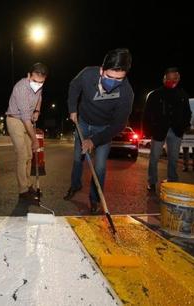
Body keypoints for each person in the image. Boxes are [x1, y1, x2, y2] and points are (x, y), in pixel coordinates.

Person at [63, 48, 134, 214]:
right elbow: (74, 86)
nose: (114, 82)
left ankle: (95, 199)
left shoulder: (126, 93)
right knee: (77, 158)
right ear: (102, 70)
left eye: (119, 79)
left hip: (104, 128)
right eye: (110, 77)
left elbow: (118, 125)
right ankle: (75, 185)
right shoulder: (88, 74)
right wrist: (72, 108)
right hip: (84, 121)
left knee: (100, 167)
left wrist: (94, 141)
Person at [143, 67, 192, 192]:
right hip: (159, 130)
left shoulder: (183, 95)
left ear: (178, 78)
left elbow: (187, 112)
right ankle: (152, 182)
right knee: (154, 157)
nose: (172, 80)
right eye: (170, 78)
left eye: (175, 78)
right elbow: (147, 113)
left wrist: (185, 125)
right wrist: (148, 130)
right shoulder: (155, 94)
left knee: (174, 158)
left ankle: (172, 181)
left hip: (176, 131)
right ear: (164, 78)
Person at [6, 62, 48, 200]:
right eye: (35, 81)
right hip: (15, 120)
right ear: (28, 75)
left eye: (41, 82)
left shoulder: (39, 86)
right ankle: (23, 191)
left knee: (29, 155)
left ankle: (28, 184)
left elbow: (39, 97)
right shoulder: (21, 88)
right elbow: (25, 118)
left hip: (27, 120)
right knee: (22, 155)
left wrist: (37, 110)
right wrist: (35, 140)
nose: (38, 84)